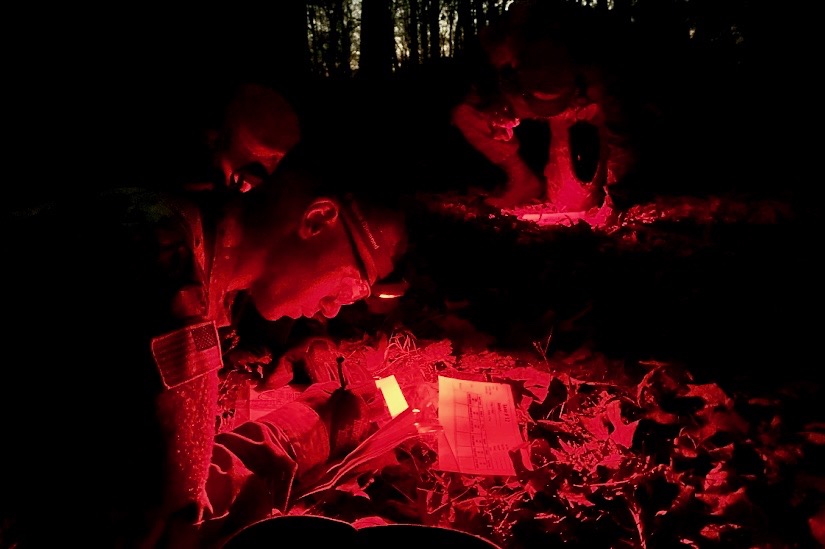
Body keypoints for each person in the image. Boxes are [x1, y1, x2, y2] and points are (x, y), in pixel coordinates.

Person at [0, 152, 408, 548]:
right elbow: (165, 517)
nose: (335, 307)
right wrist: (306, 433)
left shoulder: (192, 248)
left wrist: (309, 428)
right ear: (318, 219)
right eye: (353, 286)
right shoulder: (158, 258)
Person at [451, 0, 663, 211]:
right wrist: (498, 107)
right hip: (534, 96)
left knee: (572, 203)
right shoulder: (505, 47)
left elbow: (623, 130)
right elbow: (481, 87)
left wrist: (617, 188)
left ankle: (597, 181)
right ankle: (522, 180)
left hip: (582, 107)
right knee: (466, 114)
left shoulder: (600, 70)